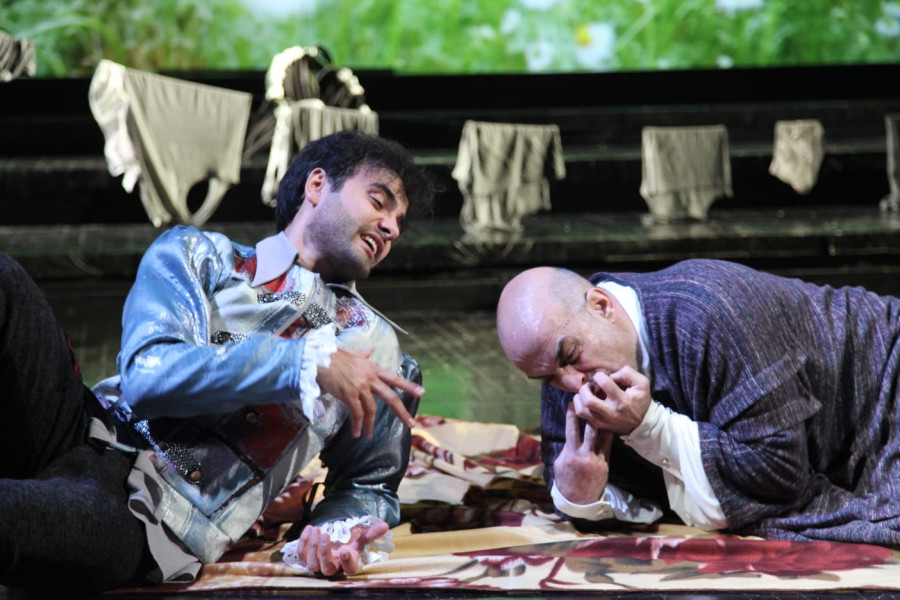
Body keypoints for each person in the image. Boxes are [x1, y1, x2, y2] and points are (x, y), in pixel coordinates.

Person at [0, 130, 436, 596]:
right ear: (316, 185)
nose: (391, 228)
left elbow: (367, 484)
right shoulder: (199, 255)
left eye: (399, 222)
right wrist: (301, 363)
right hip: (78, 425)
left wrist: (336, 532)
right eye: (379, 202)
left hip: (146, 512)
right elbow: (148, 377)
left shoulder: (372, 347)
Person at [496, 259, 900, 547]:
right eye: (546, 378)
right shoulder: (561, 367)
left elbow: (780, 473)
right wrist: (580, 495)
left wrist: (648, 427)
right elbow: (570, 478)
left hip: (883, 378)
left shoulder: (710, 311)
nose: (570, 383)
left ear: (602, 306)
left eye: (570, 356)